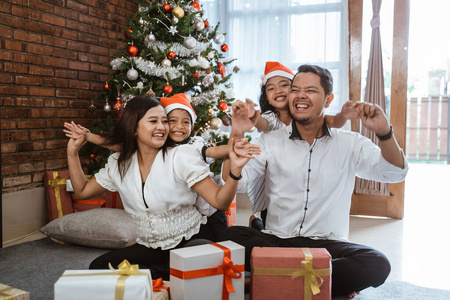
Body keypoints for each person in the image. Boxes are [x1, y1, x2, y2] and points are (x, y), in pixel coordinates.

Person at [220, 64, 409, 298]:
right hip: (278, 241)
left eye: (310, 90)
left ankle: (267, 279)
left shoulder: (350, 143)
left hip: (326, 246)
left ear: (328, 99)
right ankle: (323, 281)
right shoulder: (269, 141)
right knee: (229, 237)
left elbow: (395, 173)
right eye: (295, 89)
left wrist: (384, 132)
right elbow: (233, 182)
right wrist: (236, 134)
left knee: (377, 263)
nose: (300, 95)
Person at [66, 95, 257, 280]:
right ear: (134, 128)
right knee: (99, 267)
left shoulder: (181, 155)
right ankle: (171, 277)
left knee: (196, 260)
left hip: (191, 241)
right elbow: (82, 191)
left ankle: (179, 276)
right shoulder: (119, 164)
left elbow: (220, 202)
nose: (161, 127)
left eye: (164, 121)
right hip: (152, 248)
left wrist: (235, 171)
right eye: (153, 121)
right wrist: (73, 152)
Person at [247, 62, 359, 229]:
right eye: (271, 88)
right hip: (275, 170)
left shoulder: (306, 114)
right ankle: (260, 225)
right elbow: (263, 125)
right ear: (266, 97)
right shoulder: (270, 117)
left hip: (298, 171)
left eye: (284, 85)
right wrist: (253, 118)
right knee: (273, 208)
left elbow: (335, 122)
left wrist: (344, 114)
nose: (278, 91)